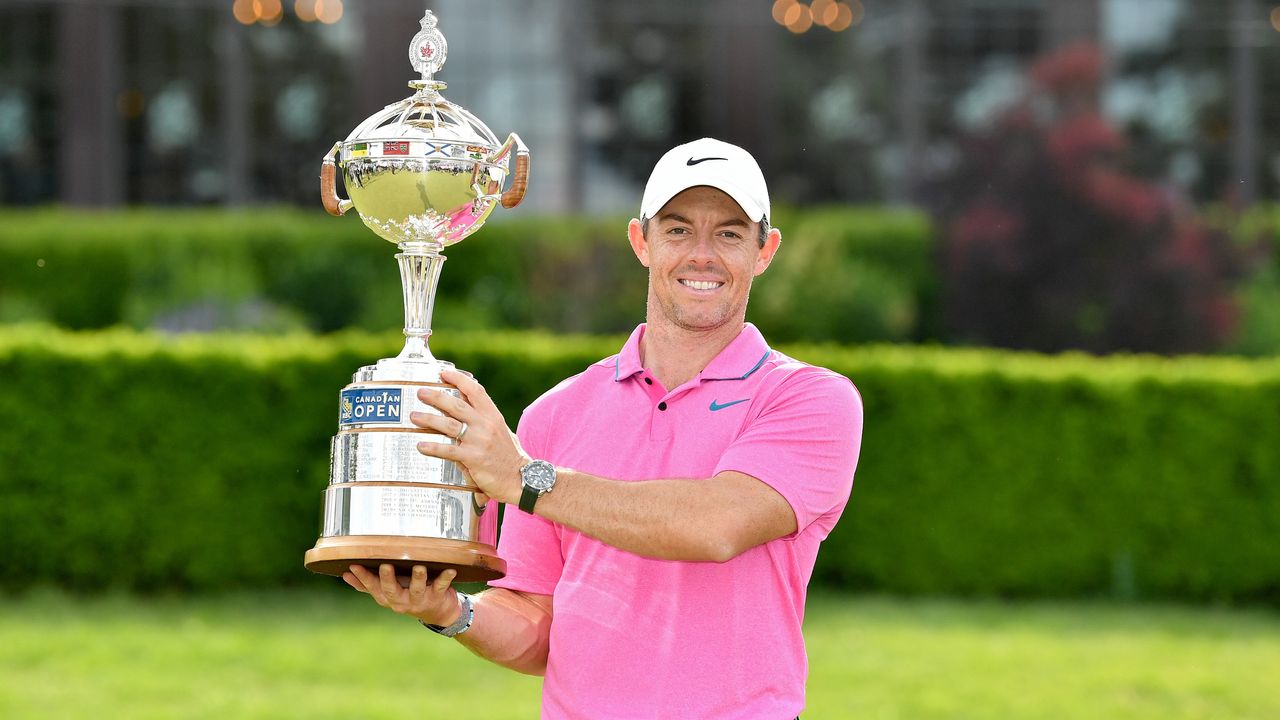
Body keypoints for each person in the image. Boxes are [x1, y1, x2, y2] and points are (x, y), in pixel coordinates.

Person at [344, 138, 863, 719]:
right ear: (640, 241)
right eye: (677, 229)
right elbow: (534, 624)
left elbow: (716, 526)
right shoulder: (555, 414)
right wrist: (448, 611)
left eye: (730, 233)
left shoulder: (810, 399)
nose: (702, 254)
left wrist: (526, 479)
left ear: (764, 251)